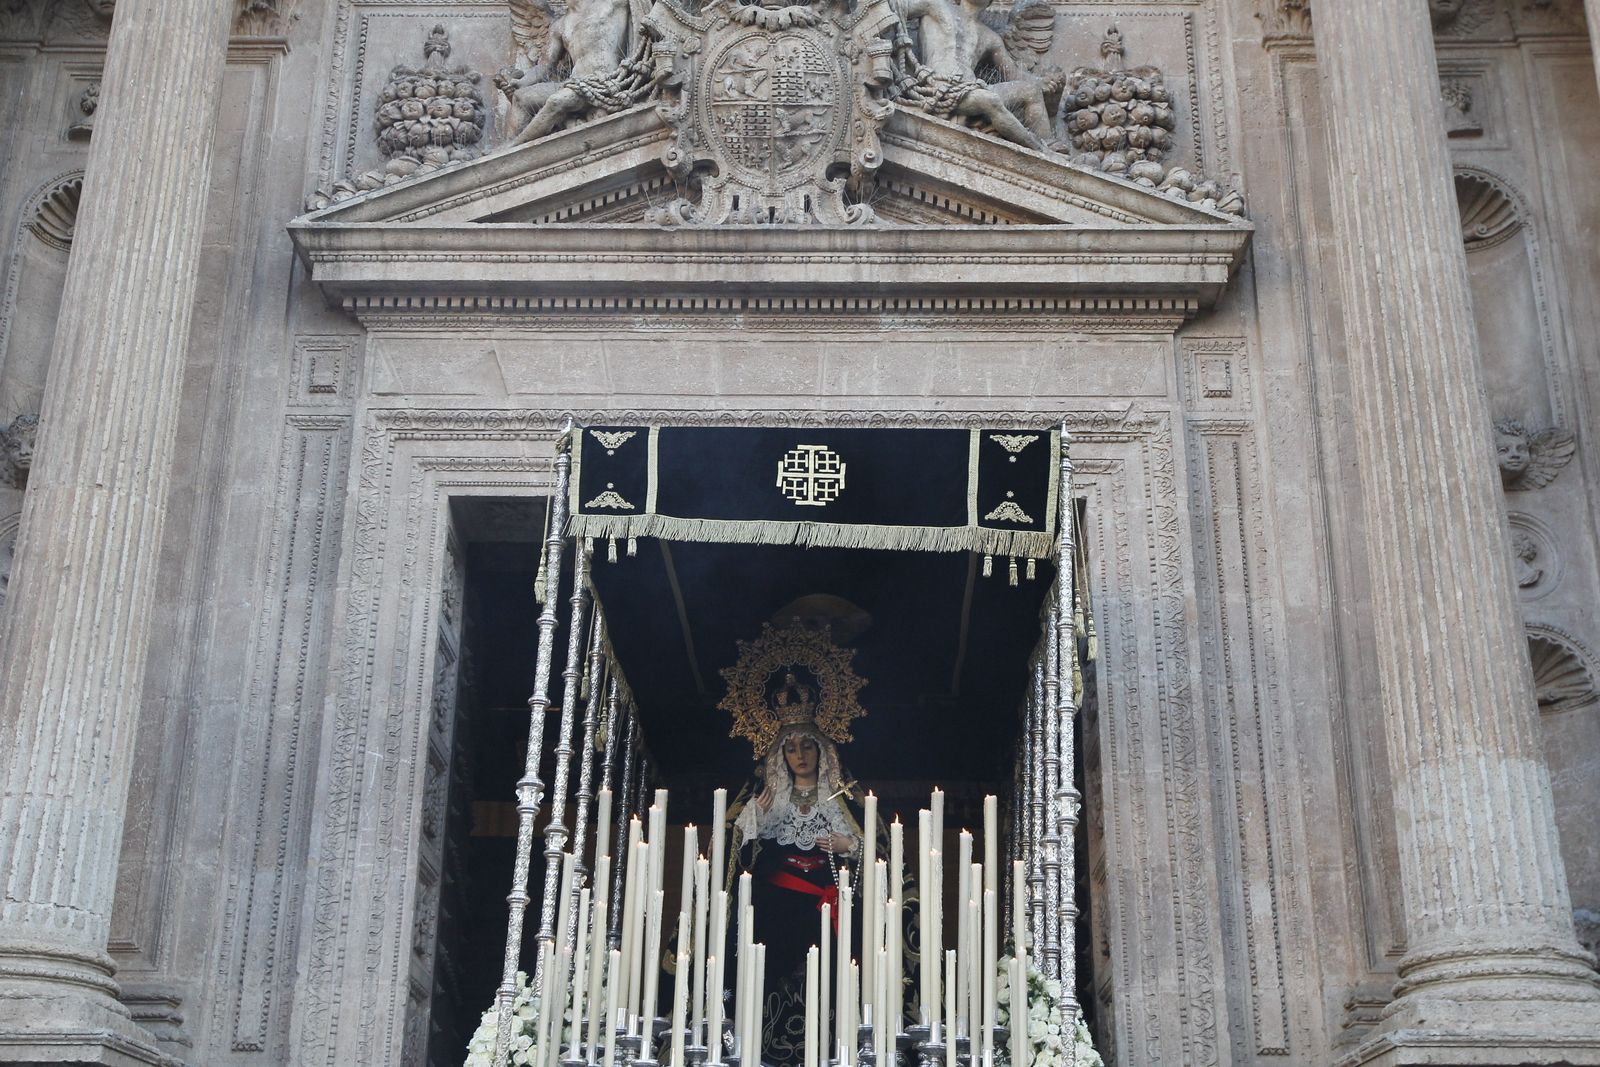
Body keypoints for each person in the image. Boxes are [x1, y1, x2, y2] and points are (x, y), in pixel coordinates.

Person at [725, 671, 876, 1067]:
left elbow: (884, 852)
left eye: (808, 745)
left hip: (827, 914)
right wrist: (751, 821)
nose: (800, 754)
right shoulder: (766, 800)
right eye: (791, 748)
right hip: (774, 913)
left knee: (830, 986)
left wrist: (851, 845)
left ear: (822, 750)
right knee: (769, 984)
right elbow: (730, 856)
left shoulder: (844, 797)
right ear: (781, 755)